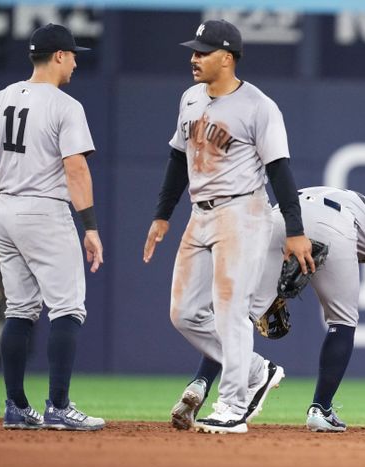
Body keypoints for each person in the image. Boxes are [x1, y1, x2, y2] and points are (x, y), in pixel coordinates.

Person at [142, 19, 313, 434]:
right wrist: (162, 215)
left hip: (243, 213)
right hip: (199, 214)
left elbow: (280, 170)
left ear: (228, 57)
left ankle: (232, 405)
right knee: (183, 314)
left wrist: (294, 228)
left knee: (231, 313)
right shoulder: (189, 99)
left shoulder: (258, 106)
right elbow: (176, 160)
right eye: (194, 51)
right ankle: (256, 369)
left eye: (203, 52)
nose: (194, 58)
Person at [169, 187, 365, 433]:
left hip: (284, 215)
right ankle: (321, 410)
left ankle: (200, 383)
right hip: (334, 224)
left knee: (241, 315)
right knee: (343, 321)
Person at [0, 23, 105, 431]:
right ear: (57, 56)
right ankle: (59, 406)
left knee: (19, 309)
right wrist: (89, 226)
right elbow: (76, 169)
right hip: (45, 212)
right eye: (71, 54)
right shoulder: (65, 106)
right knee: (68, 308)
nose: (74, 61)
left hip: (4, 213)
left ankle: (16, 406)